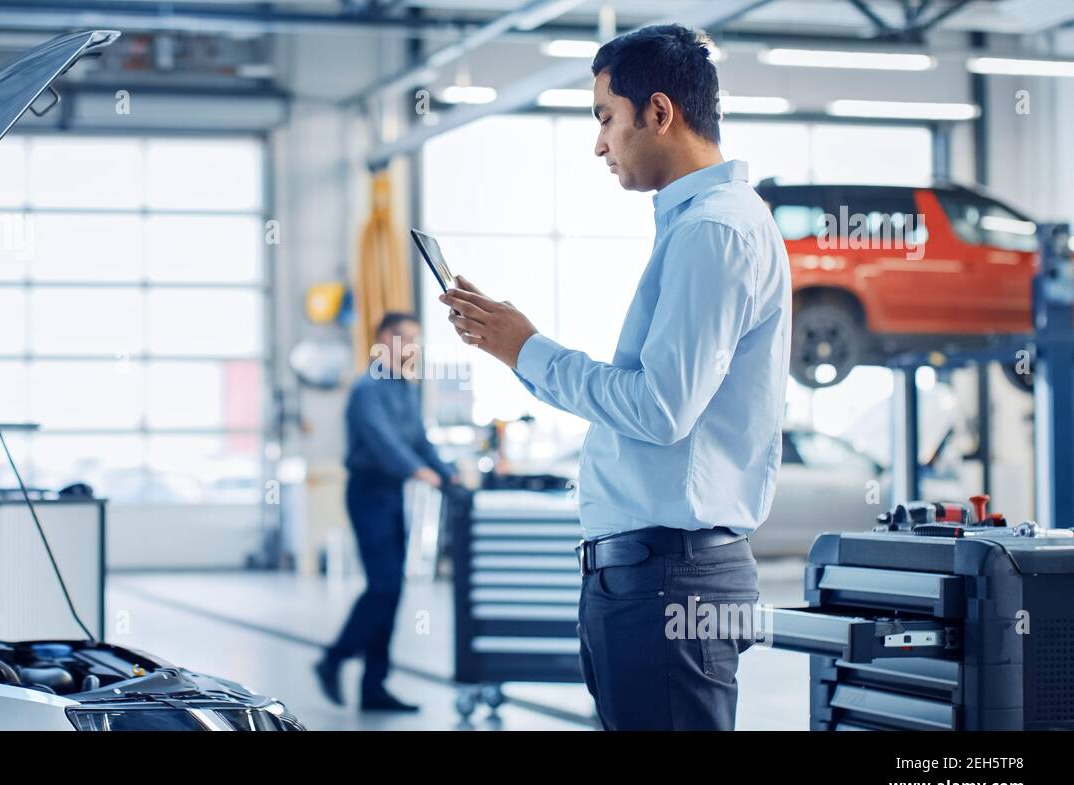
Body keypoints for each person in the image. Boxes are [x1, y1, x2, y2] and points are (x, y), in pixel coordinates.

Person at [438, 24, 791, 730]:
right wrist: (519, 350)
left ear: (659, 112)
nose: (600, 143)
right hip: (649, 574)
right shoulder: (698, 226)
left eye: (605, 118)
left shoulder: (712, 232)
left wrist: (527, 348)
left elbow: (661, 408)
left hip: (668, 577)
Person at [314, 311, 455, 712]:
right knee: (384, 586)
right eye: (405, 338)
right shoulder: (367, 388)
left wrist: (446, 473)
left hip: (393, 494)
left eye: (416, 339)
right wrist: (418, 471)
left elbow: (419, 440)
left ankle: (374, 687)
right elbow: (382, 441)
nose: (412, 347)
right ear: (383, 340)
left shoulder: (406, 389)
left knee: (392, 592)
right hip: (368, 493)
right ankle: (334, 659)